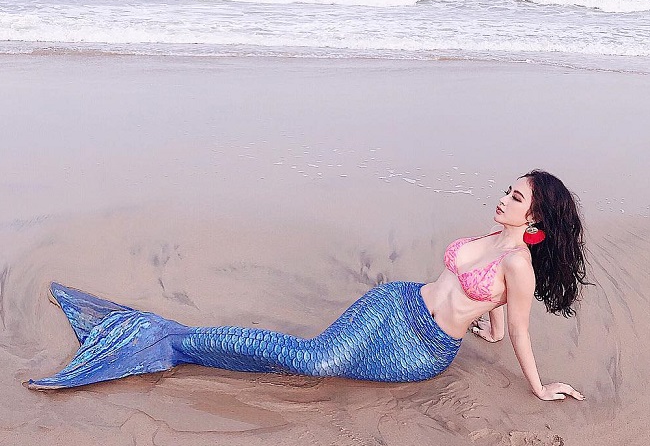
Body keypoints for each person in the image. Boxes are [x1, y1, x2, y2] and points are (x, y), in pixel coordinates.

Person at [28, 169, 588, 401]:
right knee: (313, 355)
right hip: (395, 303)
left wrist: (538, 386)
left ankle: (170, 340)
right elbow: (488, 302)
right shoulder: (492, 235)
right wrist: (488, 324)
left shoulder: (520, 265)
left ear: (535, 217)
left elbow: (518, 329)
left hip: (421, 349)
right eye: (507, 190)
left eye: (515, 197)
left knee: (315, 365)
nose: (502, 198)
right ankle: (172, 341)